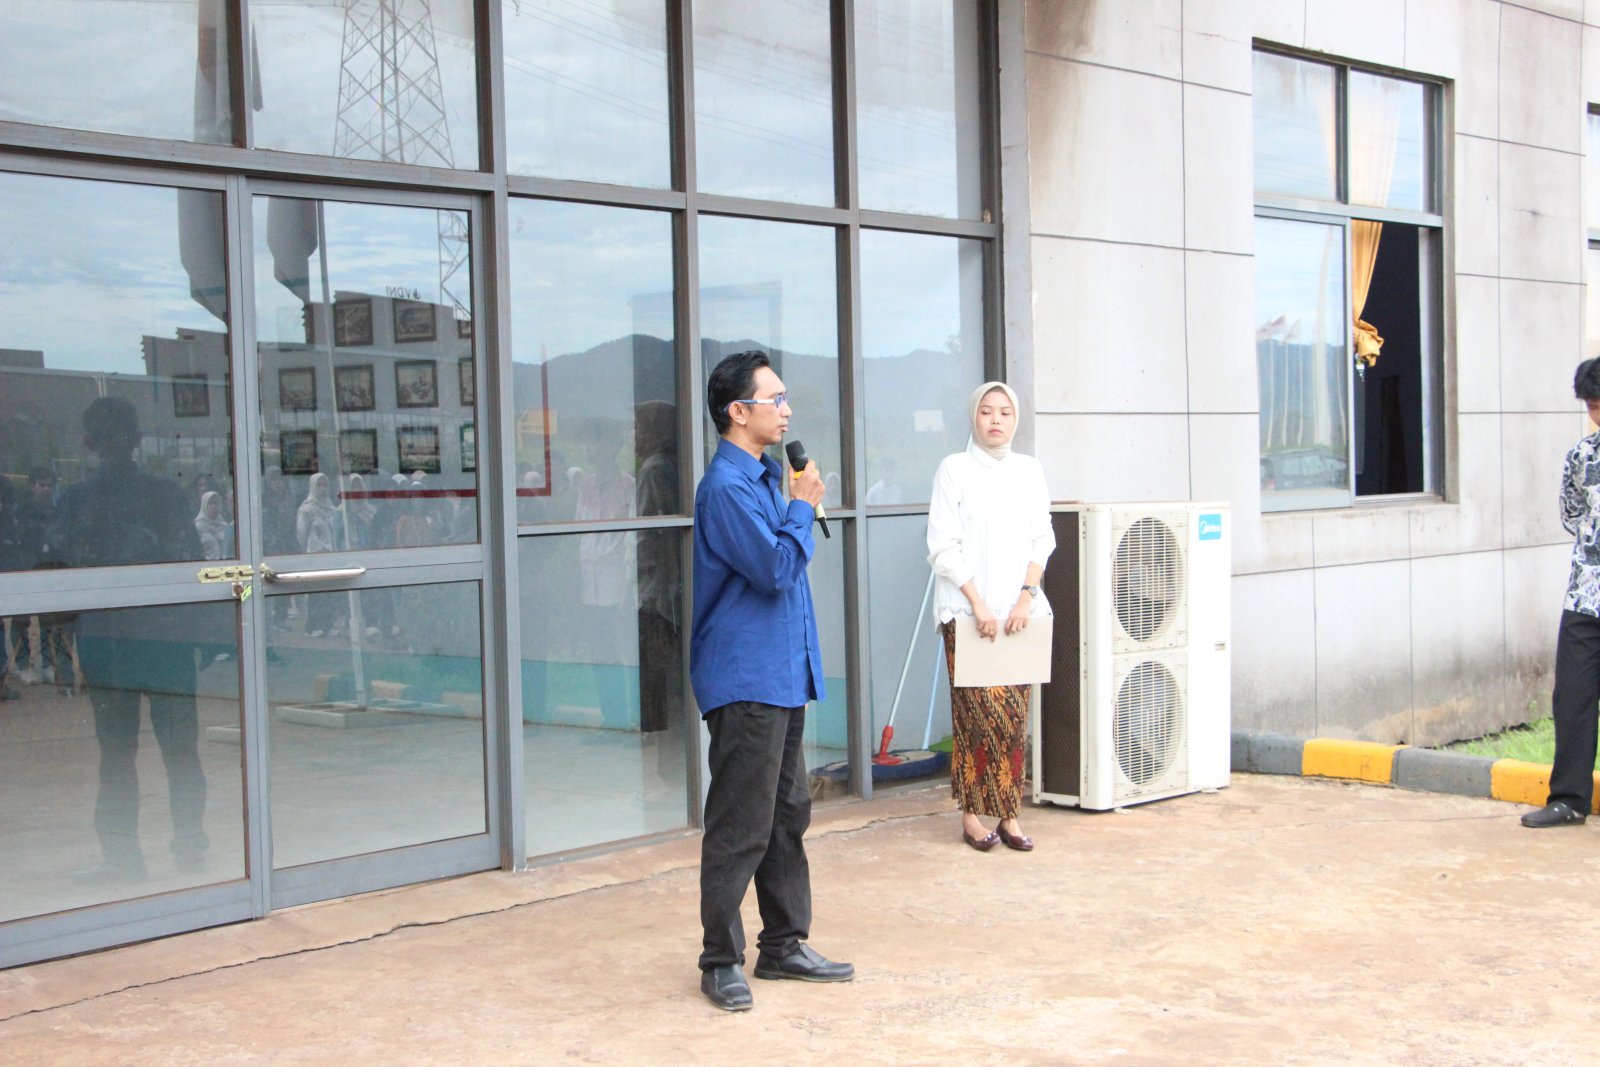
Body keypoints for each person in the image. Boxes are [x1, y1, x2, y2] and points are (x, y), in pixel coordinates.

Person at [691, 350, 853, 1012]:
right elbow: (775, 569)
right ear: (738, 411)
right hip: (746, 679)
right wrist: (802, 508)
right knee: (741, 823)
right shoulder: (726, 488)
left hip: (782, 675)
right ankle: (720, 959)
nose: (786, 410)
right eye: (774, 399)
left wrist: (794, 506)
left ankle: (783, 944)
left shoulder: (763, 478)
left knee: (787, 815)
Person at [49, 396, 209, 882]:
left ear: (88, 442)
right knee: (180, 752)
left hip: (112, 642)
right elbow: (192, 562)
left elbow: (61, 571)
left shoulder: (76, 501)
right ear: (138, 440)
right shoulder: (165, 495)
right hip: (163, 641)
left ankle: (123, 860)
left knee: (117, 757)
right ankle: (190, 850)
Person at [926, 381, 1055, 852]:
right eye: (986, 411)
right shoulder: (954, 469)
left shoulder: (1029, 470)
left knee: (1012, 719)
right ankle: (971, 815)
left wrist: (1026, 596)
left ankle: (1009, 815)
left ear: (1015, 419)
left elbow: (1043, 537)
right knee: (975, 717)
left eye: (1004, 411)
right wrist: (978, 604)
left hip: (1020, 613)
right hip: (967, 613)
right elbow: (942, 545)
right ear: (973, 417)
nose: (995, 419)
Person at [1523, 357, 1600, 828]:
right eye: (1592, 406)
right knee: (1572, 698)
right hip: (1585, 597)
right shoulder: (1581, 455)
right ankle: (1569, 799)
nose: (1598, 414)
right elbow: (1571, 514)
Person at [193, 489, 232, 561]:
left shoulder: (225, 526)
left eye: (217, 503)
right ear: (204, 505)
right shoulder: (197, 527)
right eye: (210, 503)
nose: (214, 506)